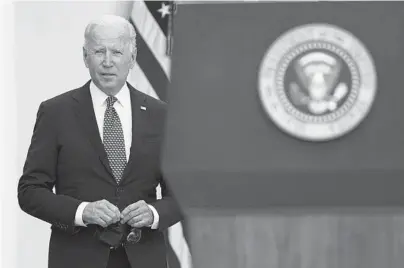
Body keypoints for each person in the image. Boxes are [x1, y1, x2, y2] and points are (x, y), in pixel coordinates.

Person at [17, 14, 182, 268]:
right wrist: (82, 211)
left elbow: (182, 195)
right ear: (85, 56)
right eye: (98, 51)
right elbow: (30, 192)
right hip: (77, 258)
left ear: (133, 57)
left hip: (144, 259)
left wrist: (154, 213)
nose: (107, 62)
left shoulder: (162, 115)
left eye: (116, 52)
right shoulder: (55, 113)